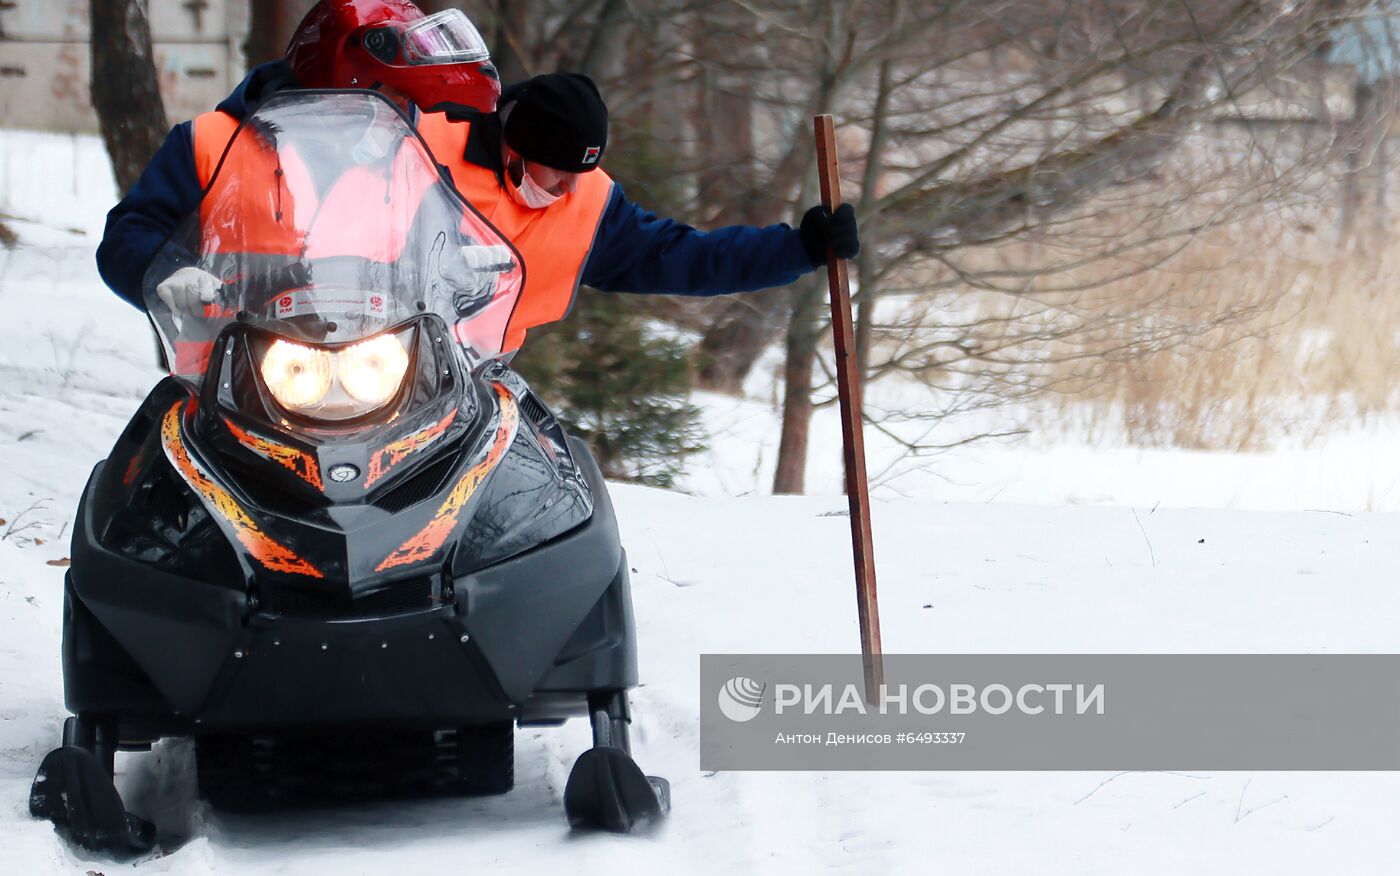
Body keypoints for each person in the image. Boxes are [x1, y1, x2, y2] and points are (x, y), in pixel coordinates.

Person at [97, 0, 501, 313]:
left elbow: (444, 246)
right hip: (220, 373)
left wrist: (466, 271)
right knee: (155, 423)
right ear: (343, 83)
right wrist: (167, 274)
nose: (404, 112)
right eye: (395, 96)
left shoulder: (412, 159)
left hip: (376, 377)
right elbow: (128, 236)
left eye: (409, 100)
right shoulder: (210, 141)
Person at [414, 72, 859, 353]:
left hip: (475, 388)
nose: (570, 189)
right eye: (560, 172)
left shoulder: (589, 211)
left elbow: (687, 258)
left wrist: (798, 249)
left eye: (581, 173)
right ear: (516, 145)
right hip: (374, 364)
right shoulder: (422, 147)